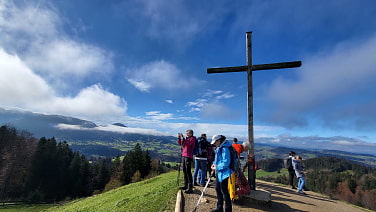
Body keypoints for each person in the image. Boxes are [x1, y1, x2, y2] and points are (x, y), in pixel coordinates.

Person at [211, 134, 234, 212]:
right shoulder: (219, 148)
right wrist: (214, 164)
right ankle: (219, 208)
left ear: (219, 140)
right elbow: (217, 159)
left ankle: (228, 210)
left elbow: (226, 162)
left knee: (224, 192)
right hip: (219, 172)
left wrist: (216, 167)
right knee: (218, 189)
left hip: (225, 173)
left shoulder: (225, 148)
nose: (214, 144)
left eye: (215, 142)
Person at [177, 129, 196, 194]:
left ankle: (190, 187)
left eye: (187, 133)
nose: (186, 134)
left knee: (188, 172)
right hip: (184, 155)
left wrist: (183, 138)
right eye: (186, 133)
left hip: (188, 156)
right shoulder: (187, 139)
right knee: (184, 171)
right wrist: (179, 138)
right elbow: (180, 144)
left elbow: (188, 145)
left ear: (191, 133)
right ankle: (185, 185)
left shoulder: (193, 139)